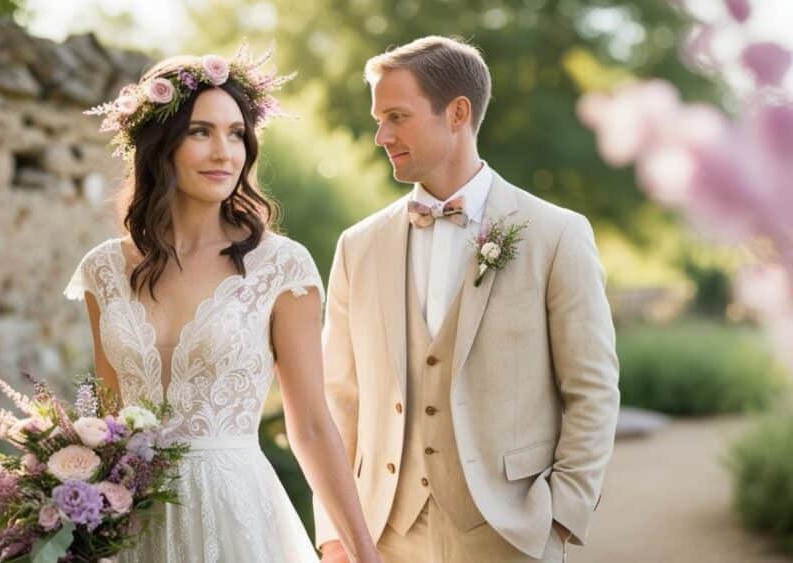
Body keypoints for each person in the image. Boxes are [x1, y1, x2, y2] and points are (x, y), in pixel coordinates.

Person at [65, 46, 380, 563]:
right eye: (200, 132)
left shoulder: (281, 267)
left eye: (236, 134)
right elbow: (108, 421)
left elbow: (312, 426)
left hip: (235, 517)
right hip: (131, 524)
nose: (224, 153)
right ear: (160, 145)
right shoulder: (104, 270)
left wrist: (365, 554)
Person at [314, 36, 620, 563]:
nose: (380, 135)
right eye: (378, 118)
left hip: (510, 533)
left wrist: (561, 518)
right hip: (380, 535)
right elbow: (339, 401)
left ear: (457, 113)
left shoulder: (555, 235)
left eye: (396, 116)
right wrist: (335, 532)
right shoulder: (357, 247)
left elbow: (592, 389)